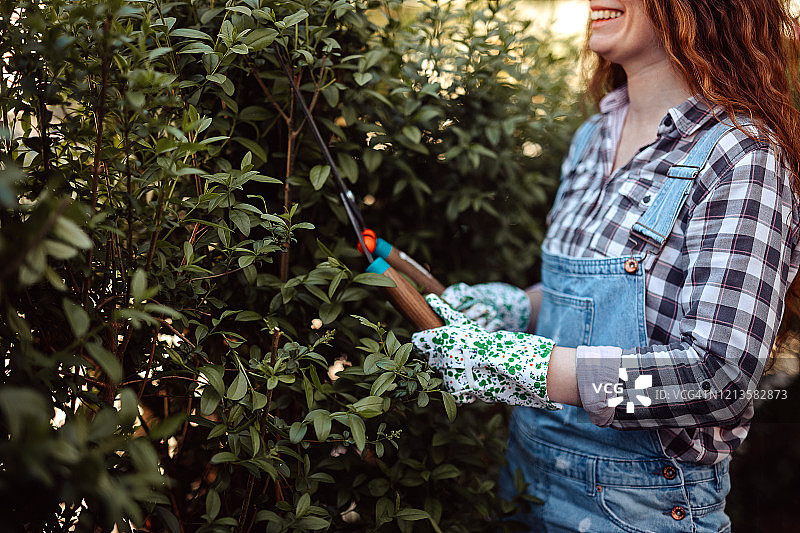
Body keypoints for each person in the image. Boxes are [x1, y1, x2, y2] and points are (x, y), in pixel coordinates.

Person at [411, 0, 800, 531]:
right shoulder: (592, 138)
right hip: (523, 481)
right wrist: (514, 309)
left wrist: (529, 369)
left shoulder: (741, 158)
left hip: (637, 507)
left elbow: (718, 379)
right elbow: (600, 303)